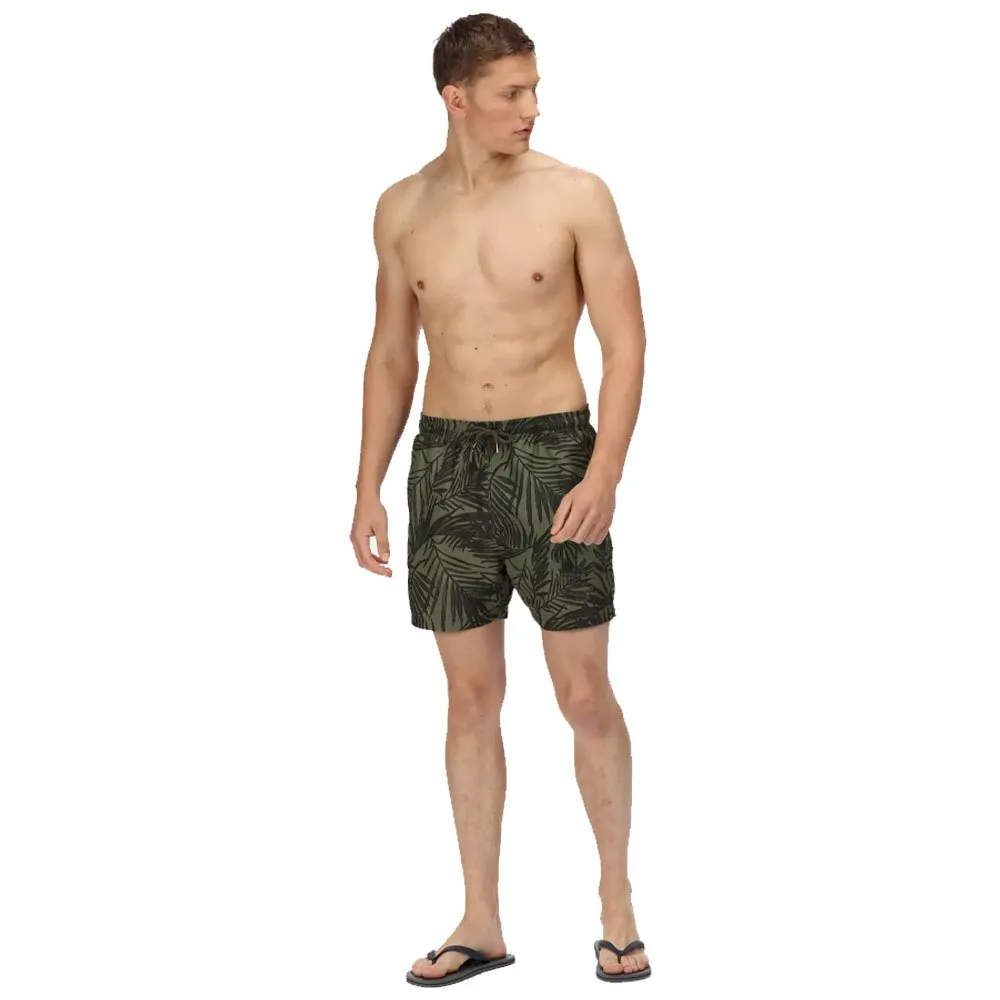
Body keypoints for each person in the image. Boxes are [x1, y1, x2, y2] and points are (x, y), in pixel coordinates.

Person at [349, 13, 650, 987]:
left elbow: (626, 343)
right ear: (457, 98)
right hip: (446, 466)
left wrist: (603, 471)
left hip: (553, 455)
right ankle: (480, 920)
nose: (532, 108)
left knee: (582, 694)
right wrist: (368, 484)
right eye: (512, 92)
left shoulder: (574, 195)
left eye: (534, 89)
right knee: (470, 697)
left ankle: (616, 906)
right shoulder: (401, 208)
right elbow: (391, 354)